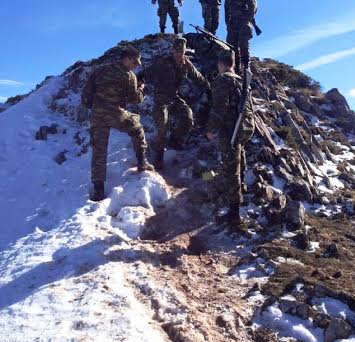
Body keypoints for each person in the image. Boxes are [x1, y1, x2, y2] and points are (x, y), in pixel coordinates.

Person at [81, 45, 154, 202]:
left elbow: (86, 95)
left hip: (97, 114)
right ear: (126, 58)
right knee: (137, 128)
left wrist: (94, 107)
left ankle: (98, 188)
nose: (136, 65)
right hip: (116, 113)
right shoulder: (129, 76)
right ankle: (142, 162)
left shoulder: (99, 69)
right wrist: (141, 88)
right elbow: (136, 99)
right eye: (134, 62)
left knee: (99, 150)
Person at [145, 37, 211, 169]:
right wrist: (139, 82)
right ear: (172, 50)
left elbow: (199, 78)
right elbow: (147, 73)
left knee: (188, 116)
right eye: (176, 51)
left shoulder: (186, 64)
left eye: (181, 51)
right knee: (162, 125)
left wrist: (210, 89)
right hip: (161, 98)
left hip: (175, 98)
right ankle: (159, 157)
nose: (178, 54)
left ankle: (174, 140)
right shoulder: (163, 62)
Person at [206, 50, 255, 227]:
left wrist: (211, 129)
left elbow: (219, 107)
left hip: (230, 130)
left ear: (220, 64)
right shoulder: (241, 80)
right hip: (243, 128)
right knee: (238, 162)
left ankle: (234, 214)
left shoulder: (222, 80)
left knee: (230, 168)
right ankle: (239, 196)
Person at [221, 0, 255, 74]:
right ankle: (236, 69)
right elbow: (226, 15)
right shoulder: (227, 1)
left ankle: (246, 67)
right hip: (233, 26)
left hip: (243, 23)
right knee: (231, 47)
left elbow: (252, 4)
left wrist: (248, 17)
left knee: (244, 44)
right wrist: (228, 25)